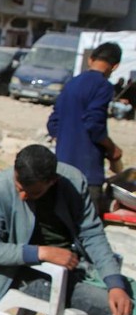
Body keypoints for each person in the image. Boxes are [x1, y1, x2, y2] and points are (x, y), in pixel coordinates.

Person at [0, 144, 135, 315]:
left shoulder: (74, 182)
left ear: (52, 181)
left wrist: (114, 283)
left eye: (32, 192)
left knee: (125, 300)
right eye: (19, 187)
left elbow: (92, 234)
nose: (22, 196)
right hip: (23, 274)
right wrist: (42, 253)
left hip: (76, 267)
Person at [47, 42, 124, 216]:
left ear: (90, 60)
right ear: (115, 66)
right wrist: (112, 148)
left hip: (61, 167)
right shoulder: (103, 86)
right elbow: (94, 124)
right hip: (87, 171)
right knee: (87, 226)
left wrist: (67, 139)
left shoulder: (71, 83)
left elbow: (53, 124)